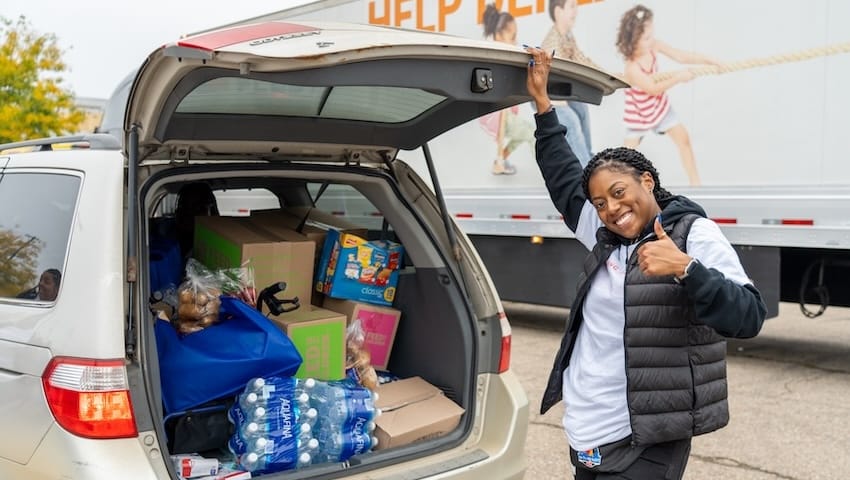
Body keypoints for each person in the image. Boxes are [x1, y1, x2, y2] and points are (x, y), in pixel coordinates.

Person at [525, 46, 766, 479]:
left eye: (618, 192)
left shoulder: (693, 233)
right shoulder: (605, 237)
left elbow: (748, 316)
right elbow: (562, 177)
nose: (611, 208)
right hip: (588, 432)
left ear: (647, 181)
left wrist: (687, 269)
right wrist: (543, 107)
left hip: (648, 435)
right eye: (600, 202)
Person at [616, 4, 721, 186]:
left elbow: (681, 56)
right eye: (646, 38)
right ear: (634, 40)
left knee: (684, 139)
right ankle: (618, 186)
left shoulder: (653, 46)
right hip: (639, 112)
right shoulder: (632, 67)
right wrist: (679, 77)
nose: (651, 40)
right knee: (625, 159)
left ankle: (696, 184)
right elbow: (652, 88)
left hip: (659, 107)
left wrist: (709, 60)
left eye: (651, 35)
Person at [480, 3, 535, 175]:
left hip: (499, 112)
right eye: (512, 36)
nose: (515, 41)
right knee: (531, 133)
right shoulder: (496, 59)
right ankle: (500, 161)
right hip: (497, 114)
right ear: (499, 35)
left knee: (523, 133)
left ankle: (501, 160)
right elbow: (501, 109)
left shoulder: (495, 55)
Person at [541, 0, 596, 167]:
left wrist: (609, 76)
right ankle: (586, 168)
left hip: (560, 91)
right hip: (547, 93)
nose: (576, 11)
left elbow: (581, 60)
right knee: (570, 120)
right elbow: (549, 83)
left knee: (581, 109)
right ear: (558, 11)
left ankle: (588, 159)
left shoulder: (567, 36)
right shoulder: (552, 44)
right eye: (571, 7)